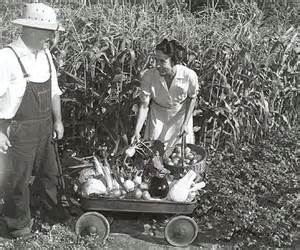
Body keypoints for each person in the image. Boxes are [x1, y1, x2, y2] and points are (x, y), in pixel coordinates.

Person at [0, 2, 66, 238]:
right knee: (17, 178)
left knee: (50, 173)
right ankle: (17, 224)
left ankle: (50, 213)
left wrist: (58, 121)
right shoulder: (6, 58)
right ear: (31, 30)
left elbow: (54, 91)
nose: (51, 37)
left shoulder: (45, 54)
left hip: (45, 124)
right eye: (48, 32)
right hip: (17, 128)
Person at [132, 39, 199, 150]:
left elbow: (192, 98)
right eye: (156, 60)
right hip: (157, 116)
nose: (157, 65)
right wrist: (137, 130)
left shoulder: (189, 75)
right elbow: (144, 105)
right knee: (154, 152)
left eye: (162, 61)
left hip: (180, 116)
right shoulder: (149, 76)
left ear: (173, 61)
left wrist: (186, 123)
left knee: (180, 152)